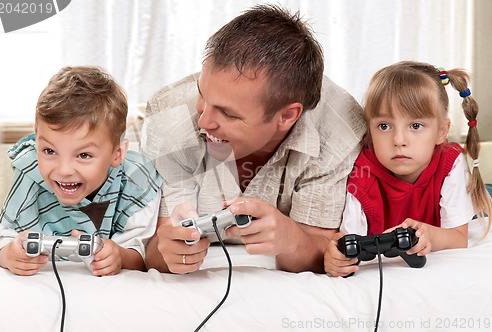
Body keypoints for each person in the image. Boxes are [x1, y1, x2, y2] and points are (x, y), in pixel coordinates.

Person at [141, 4, 366, 274]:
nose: (204, 122)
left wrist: (290, 239)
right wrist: (169, 252)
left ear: (287, 116)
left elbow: (322, 252)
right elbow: (154, 250)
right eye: (203, 95)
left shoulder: (339, 132)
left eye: (227, 113)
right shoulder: (169, 117)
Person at [324, 61, 492, 277]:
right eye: (384, 126)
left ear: (442, 131)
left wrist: (428, 235)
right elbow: (350, 245)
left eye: (415, 126)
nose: (399, 140)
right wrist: (335, 259)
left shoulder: (451, 161)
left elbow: (459, 237)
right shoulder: (360, 173)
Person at [0, 66, 163, 276]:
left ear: (117, 154)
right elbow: (1, 236)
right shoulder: (30, 172)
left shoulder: (136, 181)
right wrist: (6, 255)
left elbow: (145, 255)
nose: (63, 170)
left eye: (83, 155)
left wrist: (119, 255)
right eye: (49, 150)